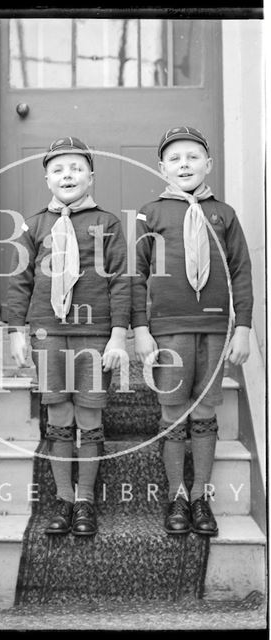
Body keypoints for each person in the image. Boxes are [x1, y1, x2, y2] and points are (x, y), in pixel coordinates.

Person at [131, 126, 253, 536]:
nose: (184, 164)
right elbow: (136, 275)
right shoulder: (151, 214)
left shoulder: (225, 214)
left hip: (215, 330)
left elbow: (241, 272)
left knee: (203, 412)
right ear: (162, 168)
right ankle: (176, 496)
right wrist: (140, 329)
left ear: (208, 164)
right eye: (175, 158)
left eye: (193, 156)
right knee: (172, 414)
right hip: (168, 331)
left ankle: (200, 496)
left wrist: (244, 328)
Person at [7, 136, 130, 536]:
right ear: (47, 179)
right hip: (49, 333)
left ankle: (86, 501)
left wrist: (117, 337)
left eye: (76, 168)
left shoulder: (107, 222)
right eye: (58, 169)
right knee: (59, 414)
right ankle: (63, 496)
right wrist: (16, 331)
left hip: (94, 334)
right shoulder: (35, 224)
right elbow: (20, 281)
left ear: (91, 177)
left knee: (89, 413)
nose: (68, 175)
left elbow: (121, 282)